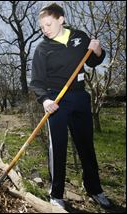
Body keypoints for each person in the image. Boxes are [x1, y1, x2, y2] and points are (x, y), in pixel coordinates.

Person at [30, 3, 111, 209]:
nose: (45, 29)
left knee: (86, 145)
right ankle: (56, 195)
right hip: (56, 101)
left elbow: (94, 61)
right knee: (57, 148)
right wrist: (46, 100)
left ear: (61, 19)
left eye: (48, 24)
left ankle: (94, 189)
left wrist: (97, 50)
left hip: (80, 98)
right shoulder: (42, 49)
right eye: (42, 27)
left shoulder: (80, 37)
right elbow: (37, 82)